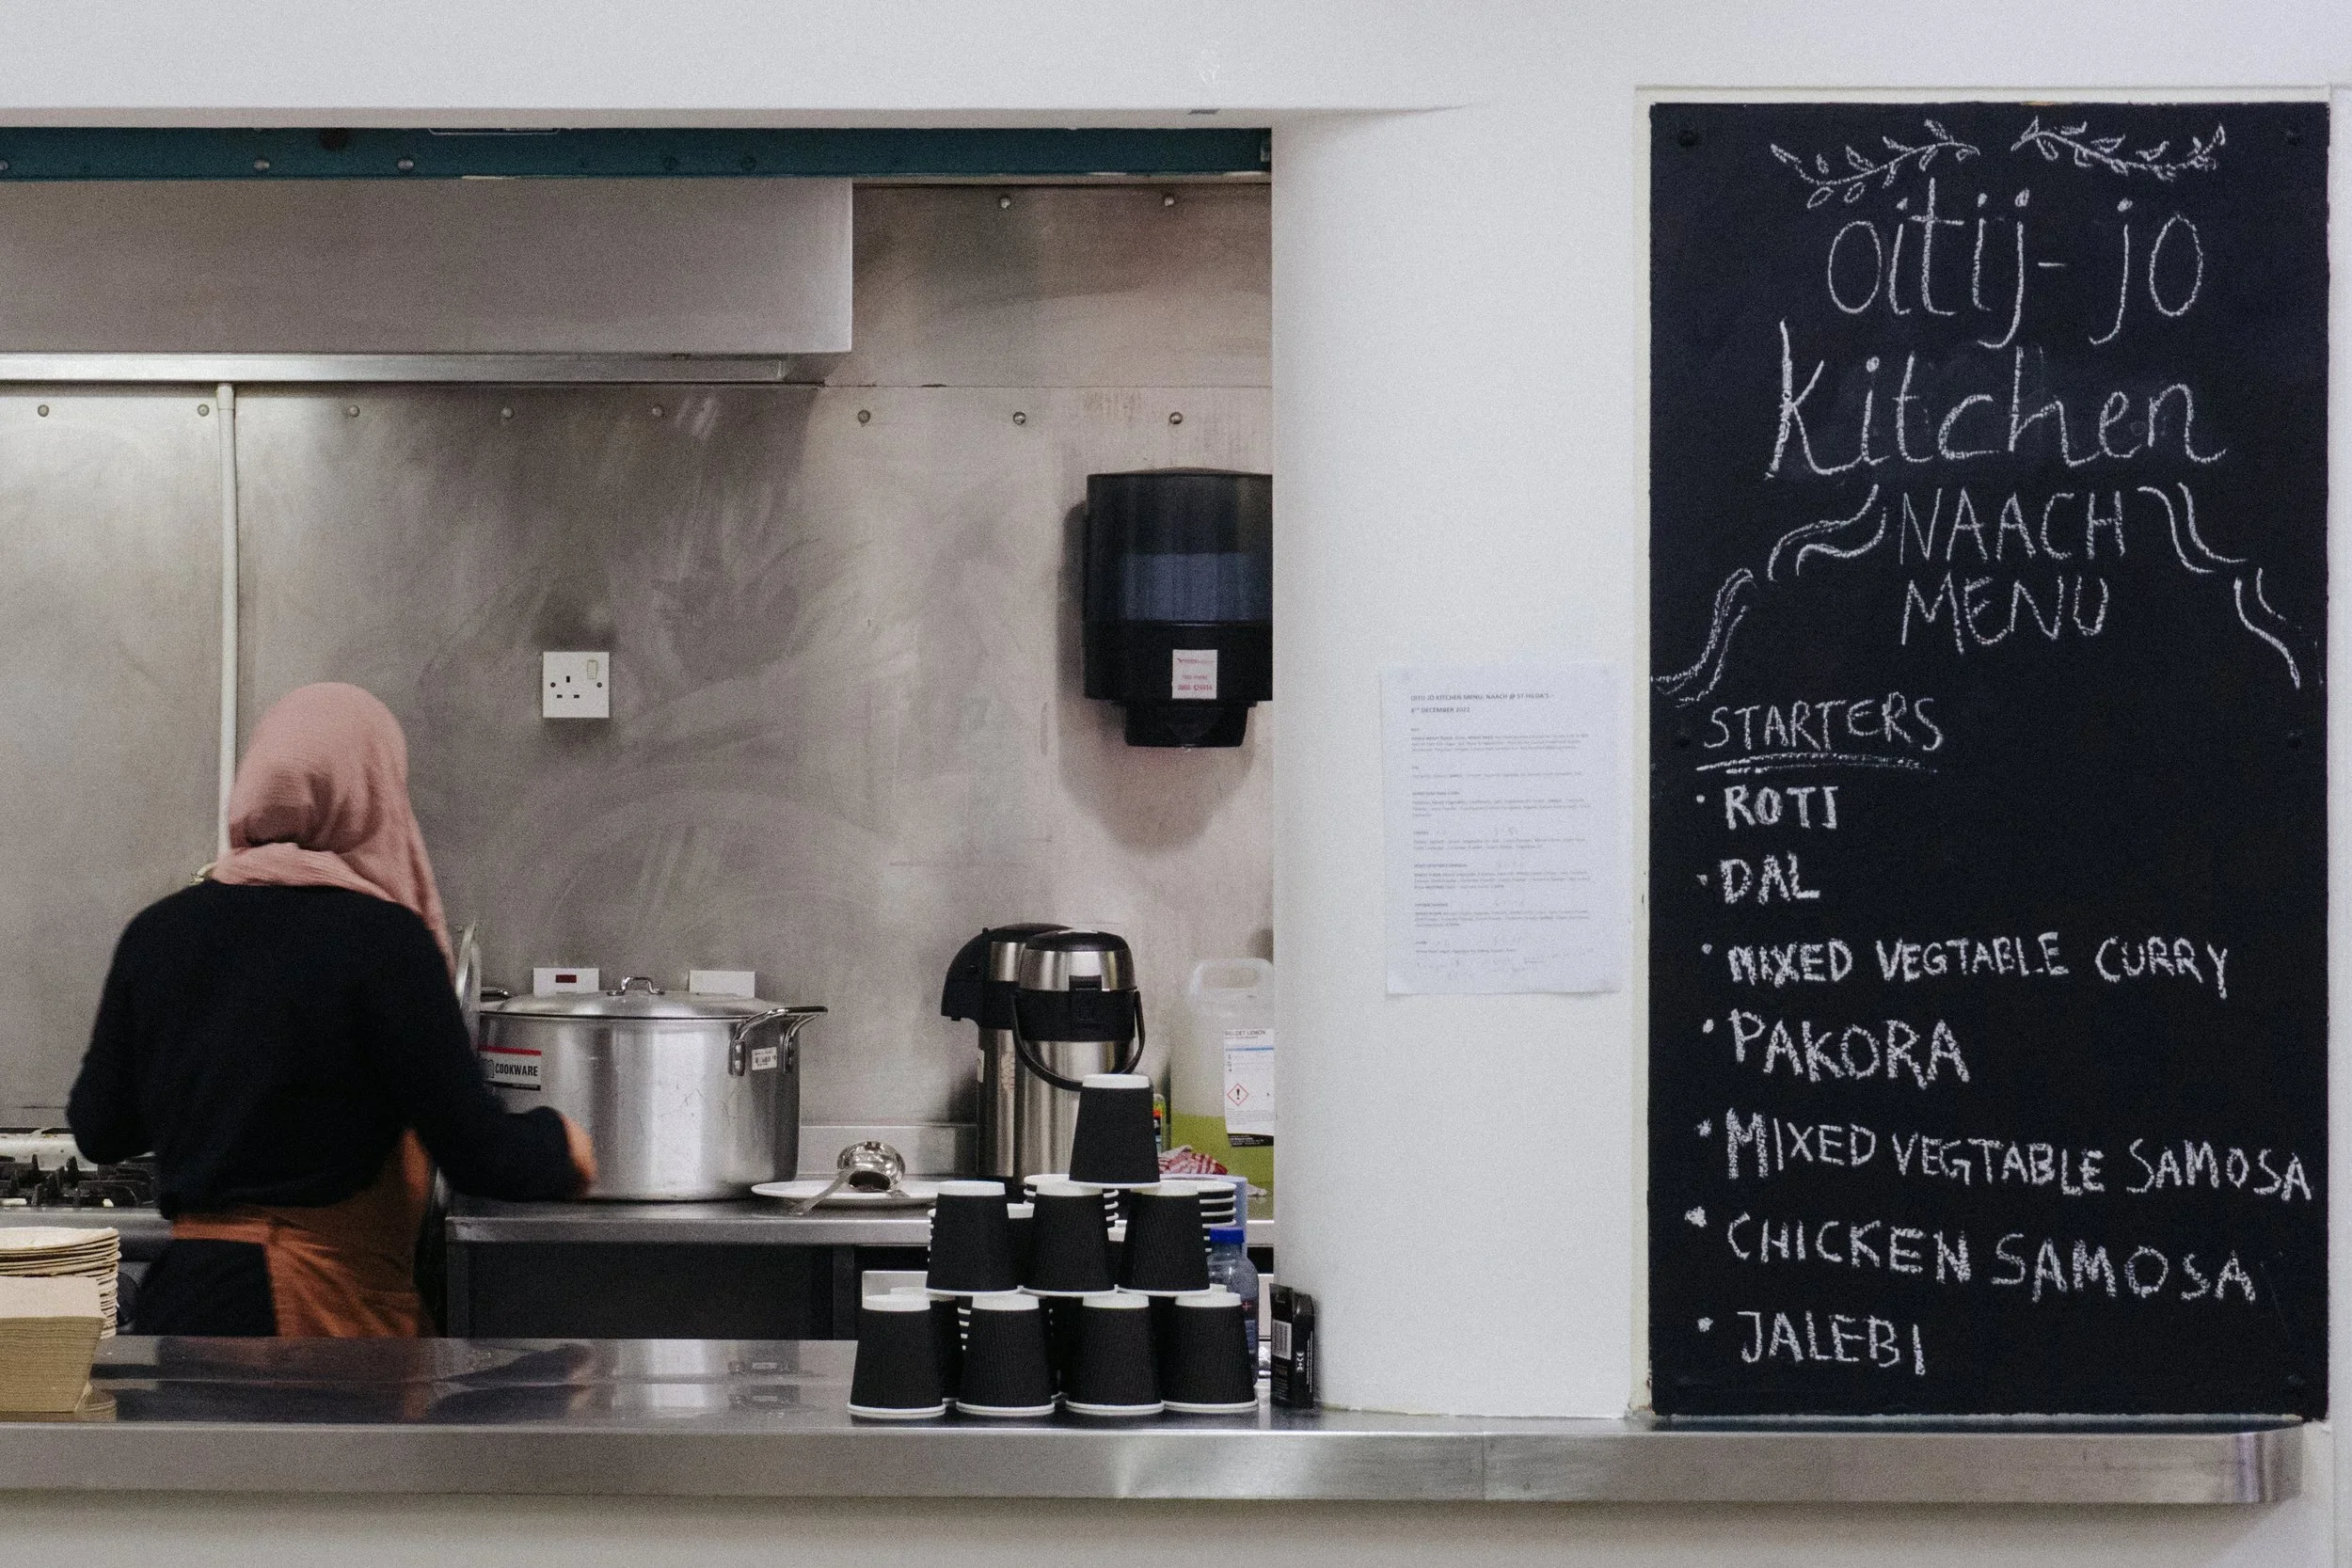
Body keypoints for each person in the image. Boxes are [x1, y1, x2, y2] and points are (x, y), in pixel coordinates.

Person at [68, 682, 593, 1337]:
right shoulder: (383, 941)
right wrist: (569, 1146)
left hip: (186, 1308)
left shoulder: (158, 932)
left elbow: (100, 1128)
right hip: (320, 1321)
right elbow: (478, 1151)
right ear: (374, 791)